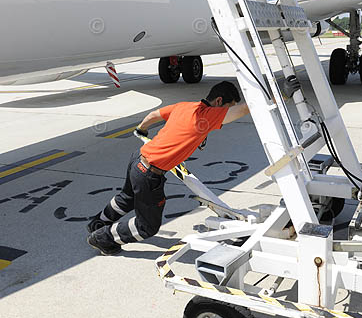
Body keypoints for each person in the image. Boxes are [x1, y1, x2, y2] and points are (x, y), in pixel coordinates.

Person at [86, 77, 300, 255]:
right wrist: (283, 95)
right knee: (147, 226)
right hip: (149, 173)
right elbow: (246, 109)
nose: (226, 115)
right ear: (218, 101)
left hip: (138, 159)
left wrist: (141, 130)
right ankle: (102, 238)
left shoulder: (183, 106)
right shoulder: (206, 116)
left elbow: (152, 116)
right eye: (227, 108)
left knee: (126, 198)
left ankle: (97, 222)